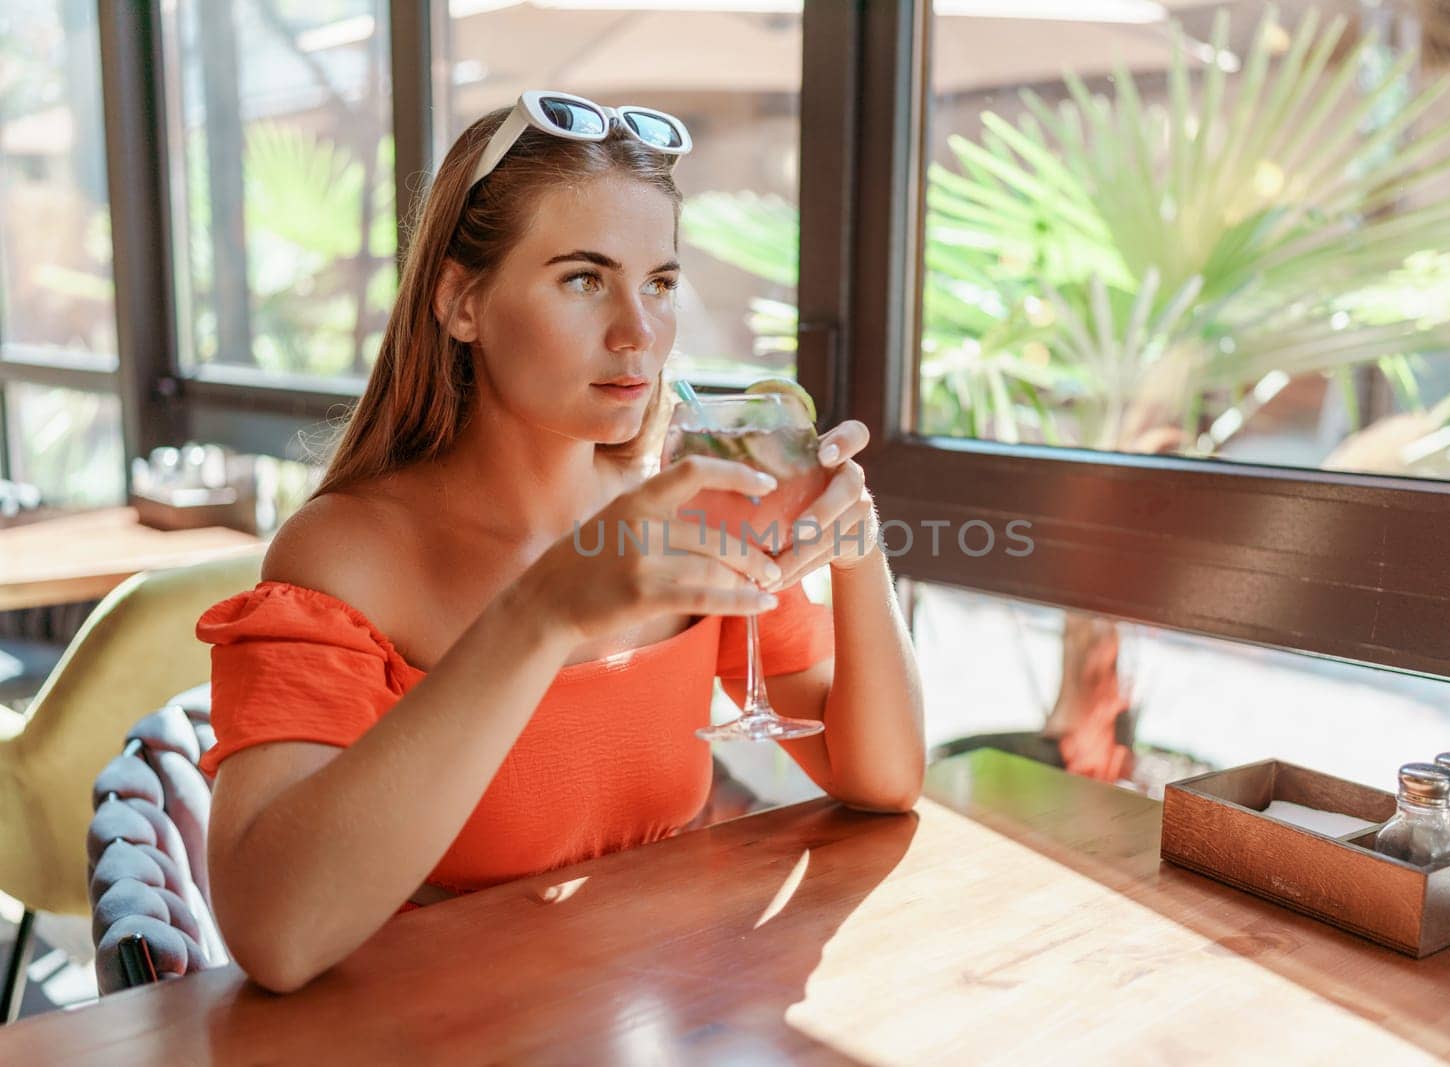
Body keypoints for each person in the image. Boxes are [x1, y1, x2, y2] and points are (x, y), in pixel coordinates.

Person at [196, 93, 925, 994]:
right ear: (462, 301)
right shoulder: (345, 557)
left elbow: (881, 779)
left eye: (659, 282)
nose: (640, 332)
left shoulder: (684, 511)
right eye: (584, 278)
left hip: (645, 1019)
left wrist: (859, 553)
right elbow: (276, 934)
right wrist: (545, 608)